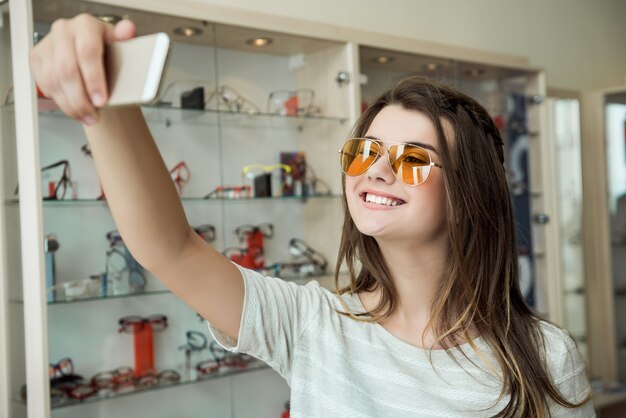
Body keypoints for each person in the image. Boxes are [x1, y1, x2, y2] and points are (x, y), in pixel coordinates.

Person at [30, 15, 595, 418]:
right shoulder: (311, 323)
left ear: (468, 193)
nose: (376, 171)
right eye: (365, 152)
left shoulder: (543, 356)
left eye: (412, 160)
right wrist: (102, 102)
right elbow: (170, 247)